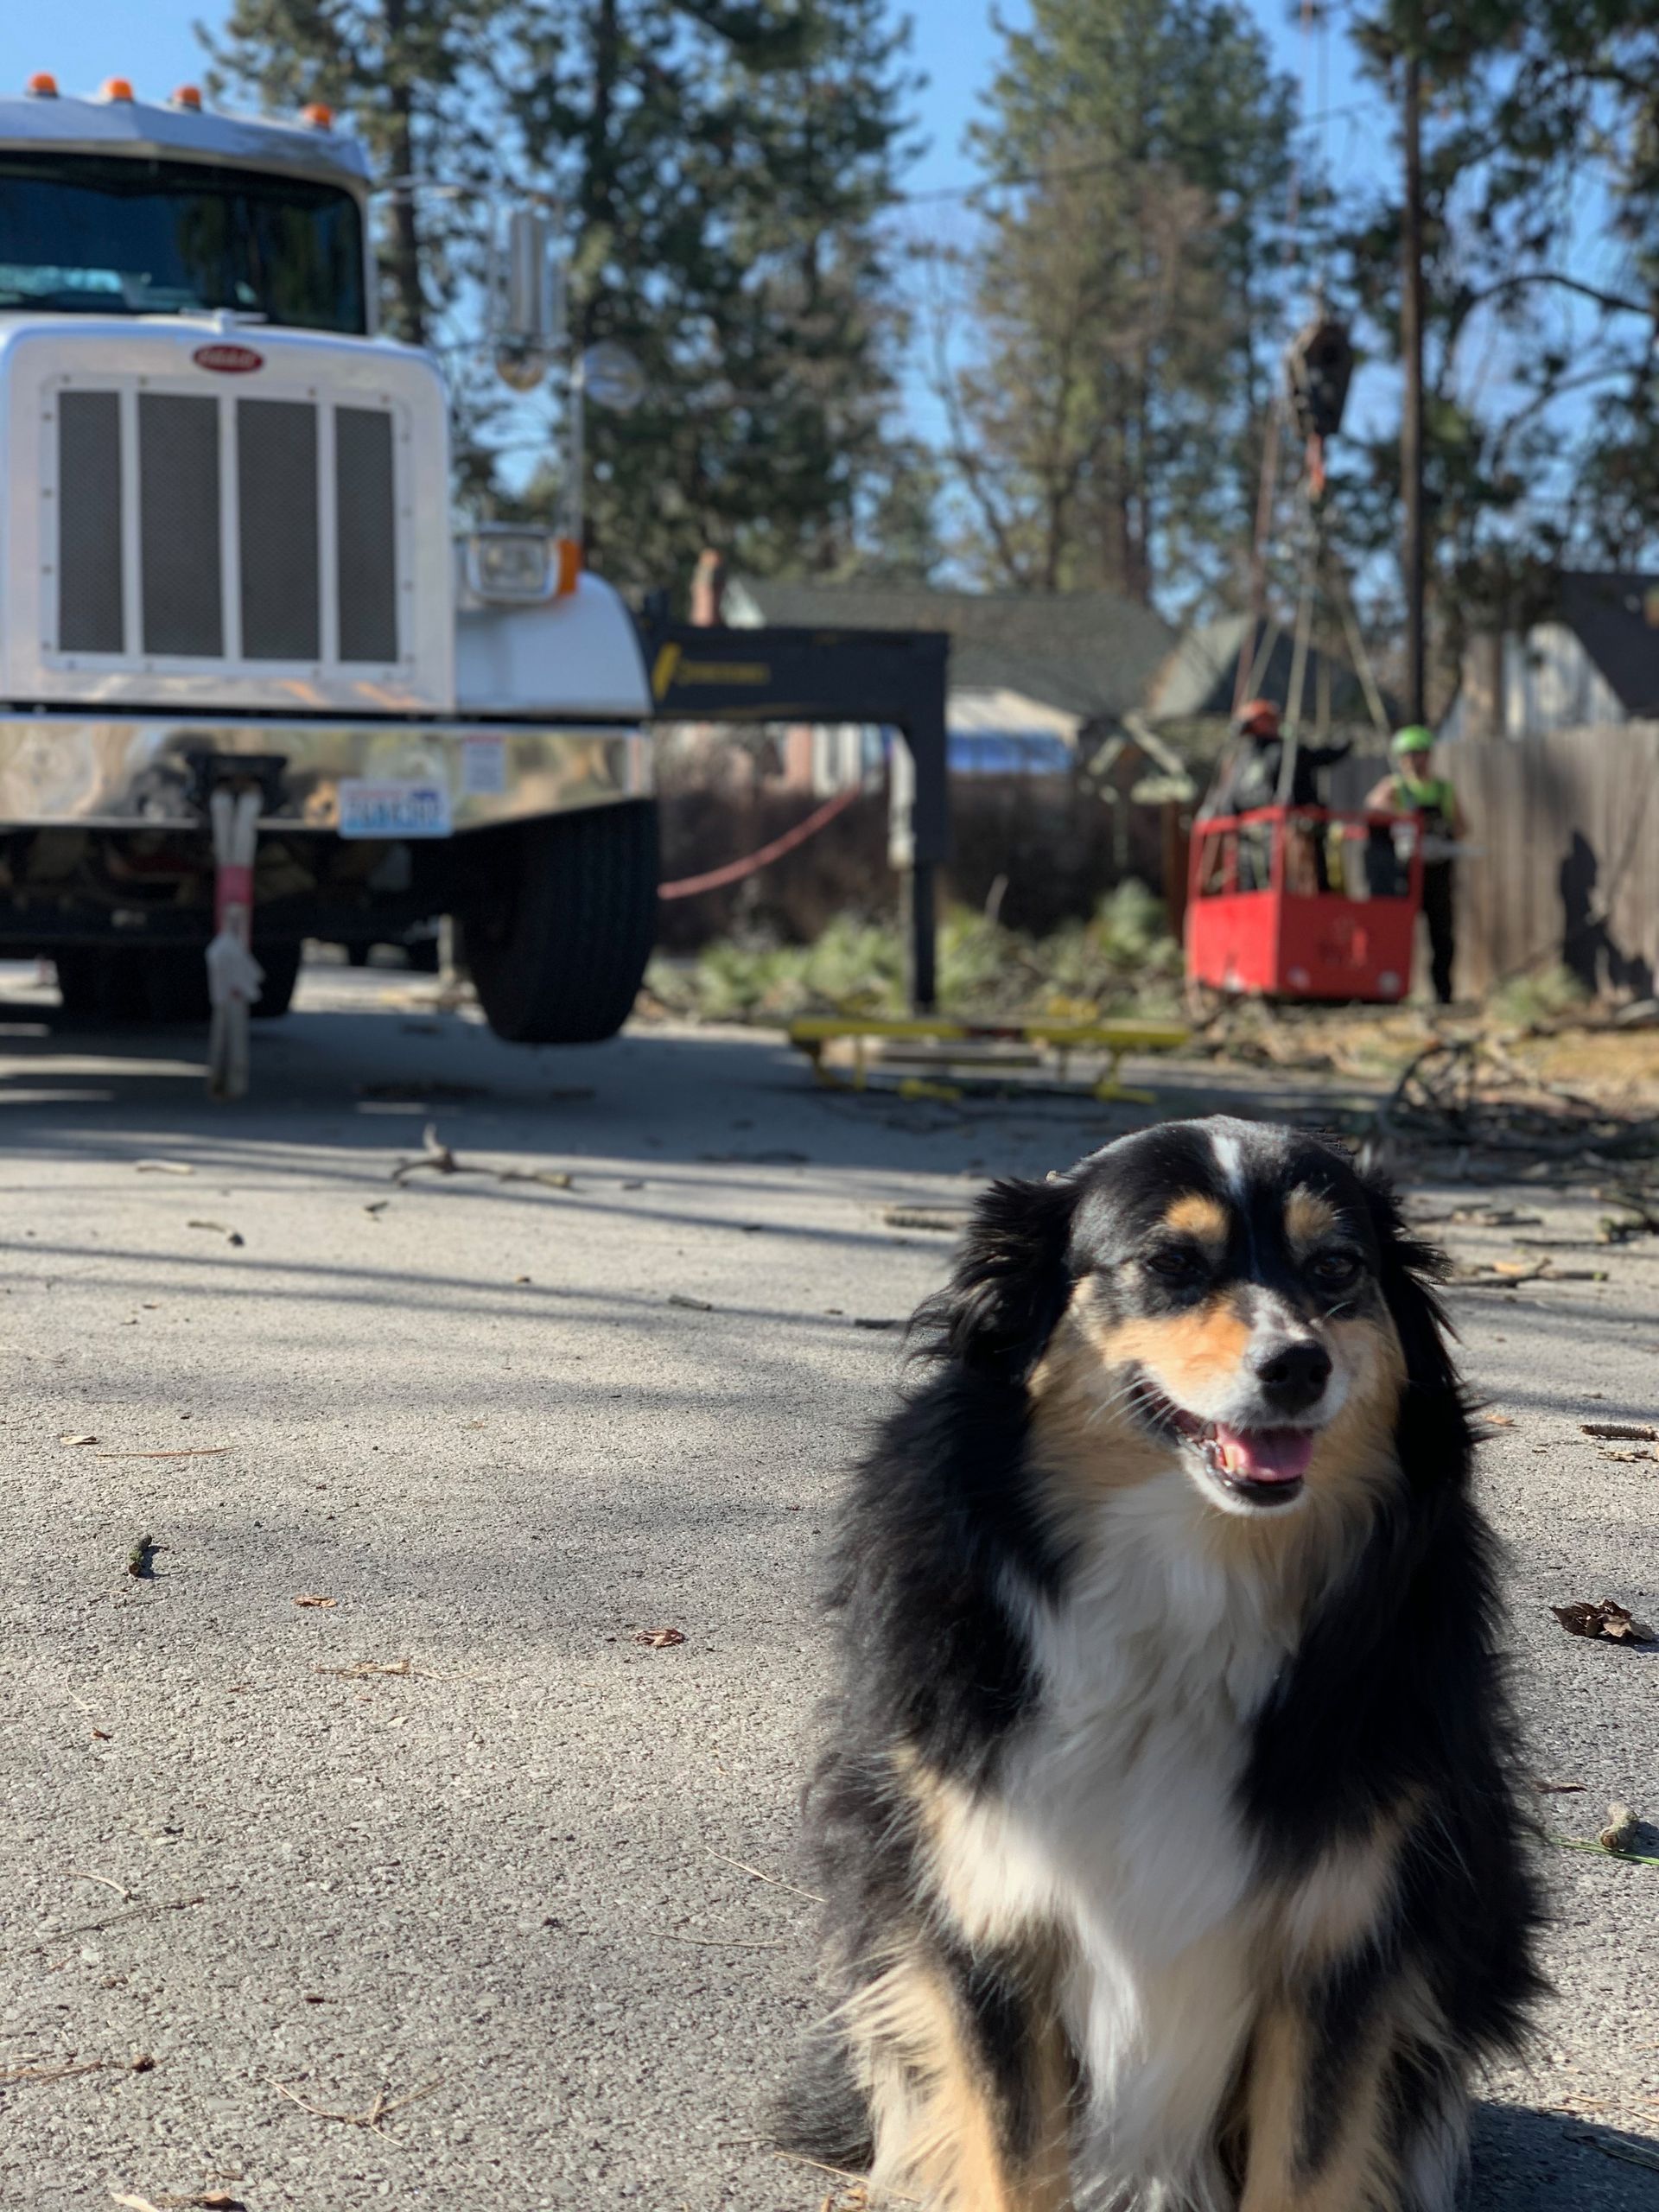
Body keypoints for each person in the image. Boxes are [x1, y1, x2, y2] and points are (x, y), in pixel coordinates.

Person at [1206, 701, 1352, 891]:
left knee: (1258, 885)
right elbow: (1323, 756)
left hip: (1254, 842)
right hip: (1281, 840)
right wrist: (1345, 743)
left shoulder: (1242, 760)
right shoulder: (1282, 753)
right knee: (1299, 880)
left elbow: (1229, 802)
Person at [1365, 725, 1465, 1006]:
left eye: (1419, 754)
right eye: (1408, 755)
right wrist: (1403, 816)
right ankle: (1389, 990)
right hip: (1404, 871)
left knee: (1442, 935)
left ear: (1428, 756)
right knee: (1395, 932)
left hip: (1437, 871)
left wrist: (1441, 834)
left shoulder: (1443, 789)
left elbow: (1462, 826)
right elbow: (1371, 808)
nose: (1414, 761)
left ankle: (1443, 995)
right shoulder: (1394, 787)